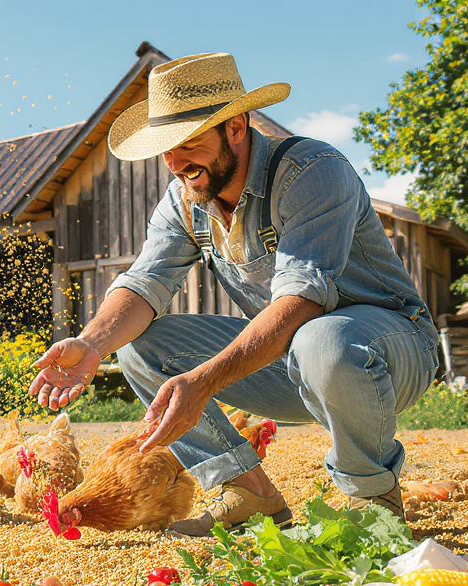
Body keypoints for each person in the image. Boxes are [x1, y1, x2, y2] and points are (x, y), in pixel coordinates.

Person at [26, 52, 438, 536]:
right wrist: (94, 343)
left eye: (189, 144)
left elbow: (301, 301)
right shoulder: (187, 199)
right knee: (140, 346)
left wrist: (201, 383)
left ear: (237, 127)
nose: (176, 163)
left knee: (323, 338)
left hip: (388, 353)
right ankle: (247, 493)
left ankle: (373, 502)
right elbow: (144, 282)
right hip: (291, 361)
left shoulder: (312, 172)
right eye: (166, 150)